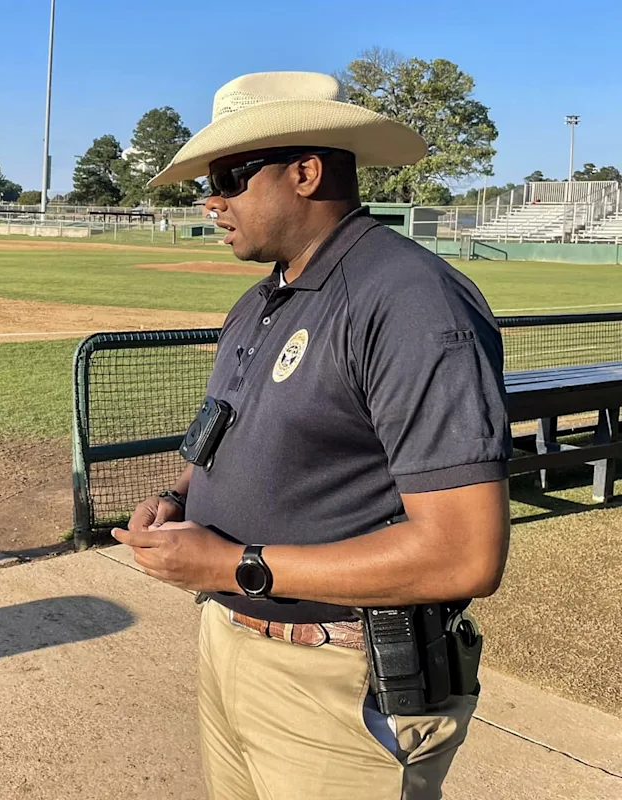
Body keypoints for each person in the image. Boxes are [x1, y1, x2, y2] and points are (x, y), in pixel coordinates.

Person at [112, 71, 512, 800]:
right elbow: (228, 434)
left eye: (229, 178)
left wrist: (236, 565)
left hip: (340, 678)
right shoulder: (263, 298)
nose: (212, 201)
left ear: (305, 173)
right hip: (232, 640)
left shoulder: (410, 300)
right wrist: (179, 498)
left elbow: (465, 553)